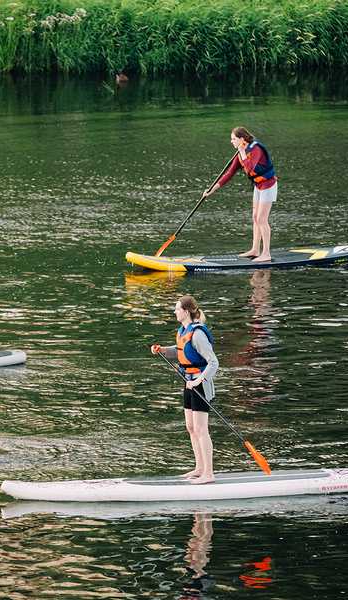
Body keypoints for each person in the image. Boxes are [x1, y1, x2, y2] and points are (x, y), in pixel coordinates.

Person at [150, 295, 219, 484]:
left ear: (186, 311)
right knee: (190, 427)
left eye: (177, 308)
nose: (174, 311)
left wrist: (198, 380)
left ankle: (209, 474)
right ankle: (199, 468)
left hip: (200, 385)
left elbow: (213, 363)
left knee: (201, 429)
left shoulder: (198, 334)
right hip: (188, 382)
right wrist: (163, 350)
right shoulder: (183, 331)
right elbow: (181, 351)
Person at [202, 126, 277, 262]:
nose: (231, 142)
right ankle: (255, 249)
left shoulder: (256, 149)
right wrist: (211, 189)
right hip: (258, 186)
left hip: (268, 185)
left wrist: (242, 152)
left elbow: (250, 168)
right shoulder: (240, 154)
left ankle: (266, 254)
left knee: (261, 219)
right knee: (255, 217)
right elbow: (229, 174)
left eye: (233, 139)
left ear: (242, 139)